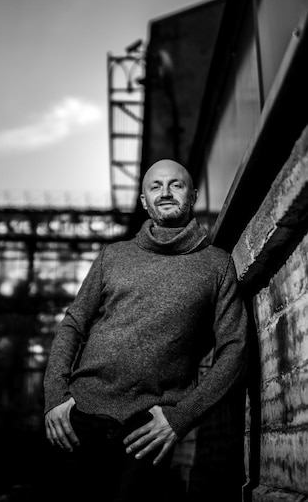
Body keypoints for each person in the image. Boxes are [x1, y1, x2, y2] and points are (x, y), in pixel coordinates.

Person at [43, 159, 248, 501]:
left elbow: (235, 347)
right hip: (78, 419)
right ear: (143, 201)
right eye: (155, 186)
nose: (165, 192)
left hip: (148, 432)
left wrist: (181, 417)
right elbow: (73, 324)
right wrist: (54, 397)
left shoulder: (217, 264)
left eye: (176, 185)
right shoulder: (113, 256)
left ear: (193, 195)